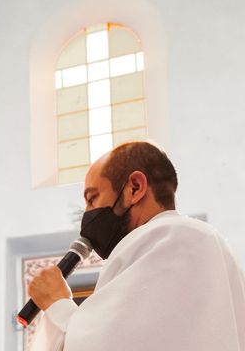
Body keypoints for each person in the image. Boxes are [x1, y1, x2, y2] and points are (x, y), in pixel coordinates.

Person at [28, 141, 245, 350]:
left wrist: (56, 302)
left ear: (135, 187)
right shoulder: (198, 241)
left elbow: (112, 345)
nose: (88, 214)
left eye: (93, 198)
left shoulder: (170, 238)